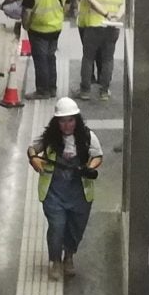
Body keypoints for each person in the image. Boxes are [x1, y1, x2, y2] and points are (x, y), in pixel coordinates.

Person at [28, 97, 101, 280]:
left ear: (77, 119)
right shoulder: (50, 139)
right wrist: (34, 159)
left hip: (80, 194)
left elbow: (98, 155)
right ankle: (55, 261)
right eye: (62, 121)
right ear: (56, 122)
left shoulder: (87, 137)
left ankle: (69, 256)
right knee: (57, 226)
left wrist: (90, 167)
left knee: (75, 228)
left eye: (70, 120)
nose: (67, 125)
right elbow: (32, 149)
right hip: (54, 193)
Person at [19, 0, 68, 100]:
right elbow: (68, 4)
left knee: (40, 60)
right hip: (56, 28)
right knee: (50, 57)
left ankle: (42, 90)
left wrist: (25, 25)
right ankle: (52, 88)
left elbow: (27, 11)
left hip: (38, 30)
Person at [74, 0, 125, 98]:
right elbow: (125, 2)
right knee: (108, 59)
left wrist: (105, 14)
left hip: (95, 25)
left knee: (88, 58)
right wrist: (116, 17)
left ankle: (85, 91)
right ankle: (104, 92)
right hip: (113, 27)